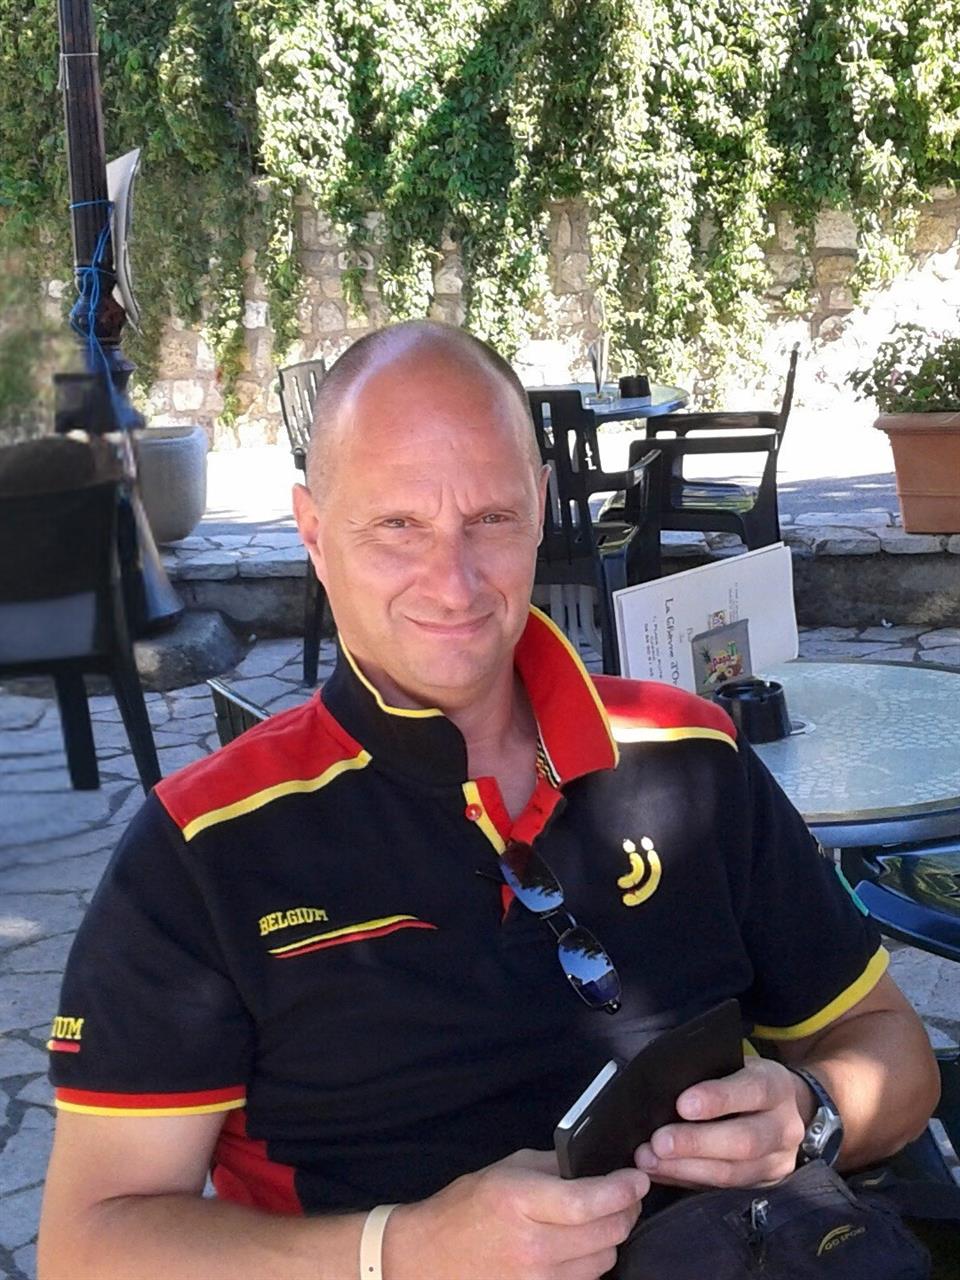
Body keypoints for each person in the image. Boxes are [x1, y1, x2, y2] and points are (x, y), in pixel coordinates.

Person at [39, 321, 939, 1280]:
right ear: (313, 531)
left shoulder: (690, 754)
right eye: (398, 525)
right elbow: (89, 1244)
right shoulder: (204, 846)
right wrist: (403, 1248)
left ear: (542, 506)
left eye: (492, 518)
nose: (454, 580)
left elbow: (893, 1052)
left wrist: (809, 1112)